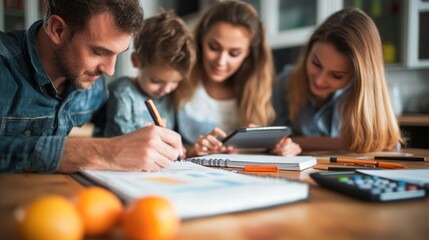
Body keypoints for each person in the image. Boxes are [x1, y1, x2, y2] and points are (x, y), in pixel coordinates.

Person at [0, 0, 183, 173]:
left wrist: (154, 144)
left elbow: (116, 127)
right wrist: (97, 151)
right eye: (99, 52)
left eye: (118, 54)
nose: (110, 70)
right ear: (57, 30)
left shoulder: (93, 83)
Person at [173, 0, 301, 157]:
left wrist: (279, 148)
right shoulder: (176, 81)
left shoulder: (262, 91)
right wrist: (192, 151)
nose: (221, 61)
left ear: (248, 53)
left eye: (234, 53)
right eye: (213, 47)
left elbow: (272, 146)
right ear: (200, 39)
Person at [273, 8, 402, 152]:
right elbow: (271, 141)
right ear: (309, 51)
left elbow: (385, 145)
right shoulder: (285, 82)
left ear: (358, 76)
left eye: (337, 76)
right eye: (316, 63)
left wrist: (298, 142)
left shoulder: (373, 96)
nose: (320, 81)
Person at [103, 10, 196, 137]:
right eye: (156, 81)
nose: (166, 89)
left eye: (175, 82)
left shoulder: (170, 96)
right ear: (136, 61)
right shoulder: (123, 92)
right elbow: (119, 142)